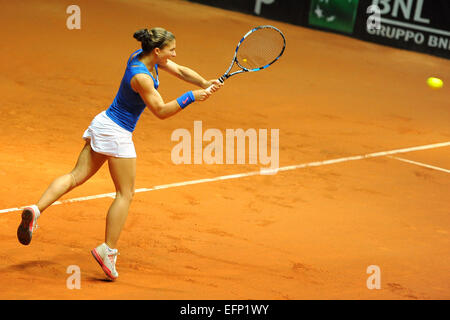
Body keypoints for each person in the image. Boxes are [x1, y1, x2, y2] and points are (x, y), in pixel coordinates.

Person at [17, 27, 222, 280]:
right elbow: (160, 110)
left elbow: (179, 70)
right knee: (125, 193)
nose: (175, 54)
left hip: (104, 122)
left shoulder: (139, 55)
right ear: (157, 51)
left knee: (74, 176)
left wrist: (203, 82)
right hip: (117, 133)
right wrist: (192, 96)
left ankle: (36, 210)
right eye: (171, 50)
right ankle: (107, 250)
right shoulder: (142, 78)